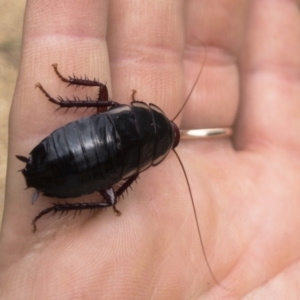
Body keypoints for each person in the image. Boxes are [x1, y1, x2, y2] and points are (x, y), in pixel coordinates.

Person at [1, 0, 300, 298]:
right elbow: (127, 173)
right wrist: (114, 196)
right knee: (109, 199)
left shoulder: (133, 111)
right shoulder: (141, 164)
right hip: (94, 166)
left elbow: (111, 107)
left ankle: (55, 140)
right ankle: (53, 204)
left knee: (104, 100)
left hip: (74, 141)